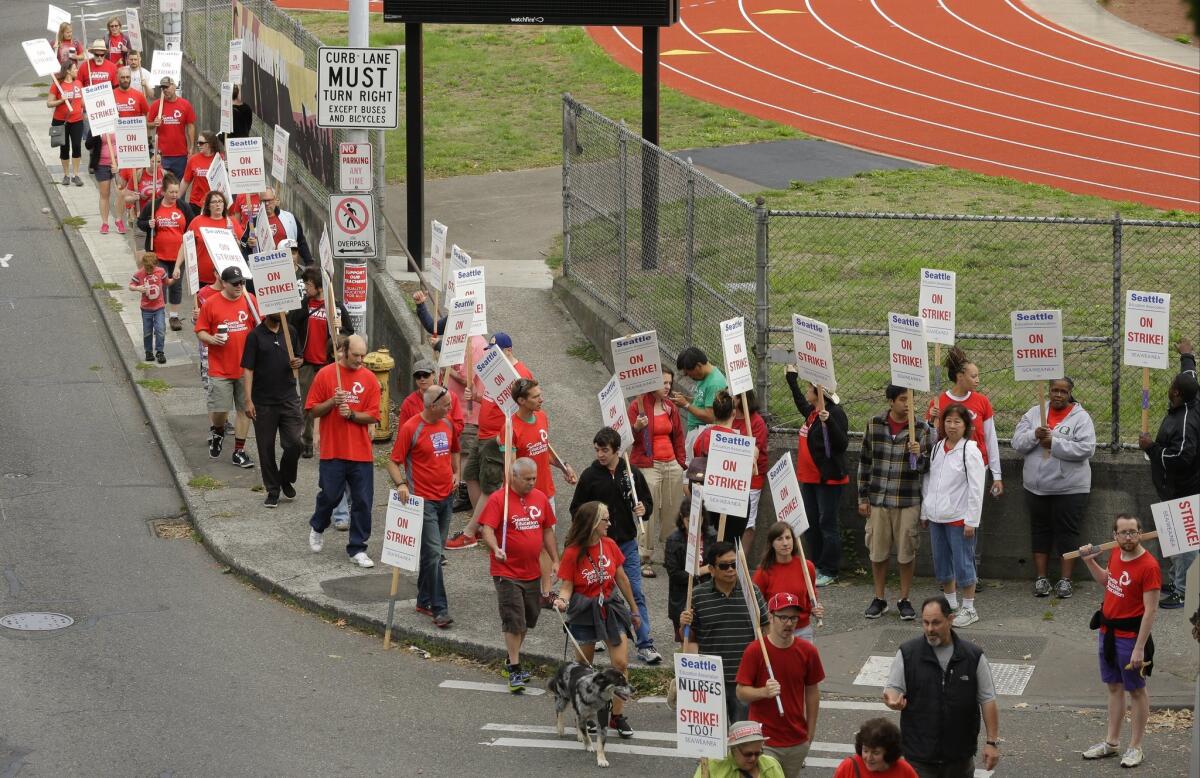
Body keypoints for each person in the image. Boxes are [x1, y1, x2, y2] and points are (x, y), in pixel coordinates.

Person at [570, 427, 661, 665]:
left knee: (635, 592)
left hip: (627, 545)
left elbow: (647, 503)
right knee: (597, 593)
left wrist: (643, 509)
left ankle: (644, 643)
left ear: (616, 450)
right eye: (597, 450)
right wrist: (589, 524)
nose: (600, 454)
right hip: (598, 548)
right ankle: (596, 635)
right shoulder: (590, 476)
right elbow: (575, 509)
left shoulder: (631, 473)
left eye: (605, 450)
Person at [883, 596, 1001, 778]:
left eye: (936, 623)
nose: (930, 629)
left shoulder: (973, 656)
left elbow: (987, 699)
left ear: (950, 619)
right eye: (926, 623)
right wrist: (892, 700)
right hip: (919, 759)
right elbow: (893, 687)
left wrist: (991, 743)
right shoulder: (908, 653)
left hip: (959, 759)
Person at [1077, 514, 1160, 769]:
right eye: (1123, 533)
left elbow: (1150, 611)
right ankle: (1111, 744)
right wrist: (1090, 562)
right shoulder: (1115, 554)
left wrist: (1139, 648)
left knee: (1136, 690)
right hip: (1107, 632)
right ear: (1114, 535)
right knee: (1113, 687)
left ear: (1140, 532)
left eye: (1132, 532)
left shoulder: (1149, 566)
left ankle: (1135, 747)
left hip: (1131, 638)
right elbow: (1108, 582)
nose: (1128, 537)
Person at [552, 501, 641, 739]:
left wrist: (634, 610)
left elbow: (622, 579)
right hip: (584, 612)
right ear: (593, 523)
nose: (609, 524)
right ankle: (588, 711)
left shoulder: (610, 545)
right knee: (583, 666)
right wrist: (562, 601)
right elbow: (567, 586)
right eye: (605, 519)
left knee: (620, 663)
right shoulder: (572, 552)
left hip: (610, 609)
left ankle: (617, 715)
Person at [1011, 377, 1096, 599]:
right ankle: (1041, 578)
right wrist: (1034, 436)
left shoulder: (1081, 418)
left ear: (1070, 394)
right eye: (1054, 390)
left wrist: (1055, 444)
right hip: (1036, 487)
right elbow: (1017, 442)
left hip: (1069, 488)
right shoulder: (1033, 413)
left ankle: (1066, 580)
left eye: (1063, 391)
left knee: (1067, 533)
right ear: (1048, 391)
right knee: (1040, 531)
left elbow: (1087, 449)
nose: (1058, 395)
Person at [446, 333, 533, 549]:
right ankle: (484, 525)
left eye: (496, 353)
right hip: (482, 433)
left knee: (489, 485)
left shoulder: (520, 375)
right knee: (471, 476)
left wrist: (506, 437)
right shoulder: (497, 370)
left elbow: (524, 409)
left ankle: (471, 532)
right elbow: (492, 401)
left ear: (508, 351)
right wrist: (475, 396)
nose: (492, 357)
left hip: (497, 437)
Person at [478, 457, 558, 691]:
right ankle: (514, 668)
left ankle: (510, 660)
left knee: (527, 620)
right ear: (513, 477)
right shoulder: (498, 500)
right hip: (507, 572)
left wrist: (555, 560)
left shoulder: (540, 498)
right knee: (514, 620)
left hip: (532, 571)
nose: (532, 483)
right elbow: (488, 530)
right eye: (527, 479)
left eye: (534, 478)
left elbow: (547, 531)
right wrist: (495, 548)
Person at [858, 385, 932, 620]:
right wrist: (862, 497)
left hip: (907, 499)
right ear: (890, 401)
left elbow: (926, 468)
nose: (908, 404)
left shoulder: (921, 428)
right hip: (879, 499)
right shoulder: (874, 424)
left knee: (906, 552)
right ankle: (879, 598)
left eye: (911, 398)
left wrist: (918, 454)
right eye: (902, 399)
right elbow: (865, 461)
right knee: (877, 552)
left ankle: (904, 598)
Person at [389, 385, 461, 626]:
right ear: (432, 406)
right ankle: (440, 608)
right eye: (447, 405)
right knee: (434, 554)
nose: (450, 408)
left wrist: (456, 473)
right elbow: (393, 462)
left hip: (446, 498)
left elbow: (455, 451)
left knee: (432, 554)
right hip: (424, 502)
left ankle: (423, 600)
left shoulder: (448, 424)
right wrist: (401, 484)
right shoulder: (412, 427)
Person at [306, 335, 380, 568]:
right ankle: (318, 524)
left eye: (363, 355)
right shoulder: (326, 375)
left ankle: (358, 548)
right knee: (330, 494)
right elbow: (313, 411)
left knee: (363, 502)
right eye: (356, 355)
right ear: (344, 351)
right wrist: (332, 402)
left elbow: (374, 415)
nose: (360, 360)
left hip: (360, 453)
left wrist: (352, 415)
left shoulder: (369, 379)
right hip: (333, 450)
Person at [736, 592, 825, 776]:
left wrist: (811, 732)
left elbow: (812, 692)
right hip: (764, 741)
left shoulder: (807, 651)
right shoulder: (755, 650)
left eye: (794, 618)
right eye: (783, 617)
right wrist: (763, 692)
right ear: (770, 617)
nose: (789, 623)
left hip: (796, 741)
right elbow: (740, 692)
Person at [1139, 338, 1198, 610]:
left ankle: (1184, 591)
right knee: (1173, 538)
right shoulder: (1192, 395)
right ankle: (1176, 580)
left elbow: (1183, 457)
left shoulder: (1185, 421)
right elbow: (1190, 375)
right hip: (1171, 488)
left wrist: (1152, 448)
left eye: (1171, 386)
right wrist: (1187, 355)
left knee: (1185, 543)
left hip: (1183, 490)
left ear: (1175, 394)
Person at [681, 541, 768, 723]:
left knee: (743, 738)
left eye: (734, 564)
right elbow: (689, 638)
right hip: (711, 681)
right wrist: (683, 625)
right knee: (713, 744)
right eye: (724, 566)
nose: (730, 569)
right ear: (711, 569)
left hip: (744, 680)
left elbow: (766, 629)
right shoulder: (697, 595)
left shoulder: (752, 592)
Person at [785, 365, 850, 586]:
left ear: (819, 392)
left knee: (826, 523)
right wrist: (791, 381)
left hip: (827, 479)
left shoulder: (835, 414)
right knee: (811, 522)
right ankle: (814, 564)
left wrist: (829, 421)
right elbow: (801, 404)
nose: (806, 391)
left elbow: (842, 444)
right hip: (809, 479)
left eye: (808, 388)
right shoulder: (813, 412)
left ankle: (830, 569)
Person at [922, 404, 985, 627]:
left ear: (966, 425)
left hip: (959, 518)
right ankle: (950, 604)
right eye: (948, 421)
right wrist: (925, 510)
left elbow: (977, 488)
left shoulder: (970, 450)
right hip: (937, 517)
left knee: (963, 563)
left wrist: (971, 521)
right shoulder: (938, 447)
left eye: (957, 422)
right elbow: (929, 480)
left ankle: (969, 608)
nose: (951, 426)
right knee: (941, 562)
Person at [194, 266, 259, 468]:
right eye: (235, 283)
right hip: (220, 368)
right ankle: (218, 430)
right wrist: (212, 339)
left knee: (244, 410)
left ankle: (239, 451)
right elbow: (200, 331)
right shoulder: (211, 304)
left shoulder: (250, 300)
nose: (240, 286)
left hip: (245, 368)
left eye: (242, 282)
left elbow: (260, 325)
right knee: (220, 410)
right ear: (224, 283)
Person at [288, 267, 353, 459]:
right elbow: (291, 331)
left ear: (319, 286)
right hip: (307, 364)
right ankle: (307, 440)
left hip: (329, 365)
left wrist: (340, 334)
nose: (306, 287)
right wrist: (297, 355)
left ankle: (330, 441)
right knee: (308, 406)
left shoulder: (336, 308)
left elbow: (349, 333)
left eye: (309, 284)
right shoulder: (302, 306)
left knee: (333, 405)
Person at [241, 313, 304, 508]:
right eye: (278, 308)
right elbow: (248, 369)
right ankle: (273, 490)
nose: (282, 312)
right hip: (263, 402)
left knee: (295, 443)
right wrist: (248, 399)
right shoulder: (255, 336)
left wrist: (298, 362)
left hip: (289, 399)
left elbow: (299, 357)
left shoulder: (290, 331)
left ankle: (285, 477)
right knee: (265, 448)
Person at [628, 365, 686, 574]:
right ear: (652, 383)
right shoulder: (638, 406)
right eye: (664, 383)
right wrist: (637, 428)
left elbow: (678, 436)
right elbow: (628, 439)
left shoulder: (670, 407)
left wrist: (680, 463)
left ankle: (671, 553)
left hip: (671, 463)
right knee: (648, 510)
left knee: (673, 509)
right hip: (647, 464)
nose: (668, 387)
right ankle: (644, 556)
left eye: (670, 382)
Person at [136, 175, 193, 330]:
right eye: (171, 192)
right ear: (163, 191)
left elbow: (191, 227)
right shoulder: (153, 206)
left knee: (176, 285)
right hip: (157, 255)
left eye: (176, 192)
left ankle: (174, 317)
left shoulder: (183, 207)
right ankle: (159, 314)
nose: (175, 195)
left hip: (178, 256)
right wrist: (148, 224)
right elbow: (140, 223)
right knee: (159, 285)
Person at [753, 523, 823, 642]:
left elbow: (811, 597)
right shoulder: (763, 572)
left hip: (802, 630)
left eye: (788, 538)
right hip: (776, 632)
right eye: (779, 539)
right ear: (772, 544)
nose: (785, 543)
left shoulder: (807, 567)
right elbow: (755, 605)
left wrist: (817, 608)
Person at [664, 496, 715, 642]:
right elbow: (674, 575)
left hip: (707, 598)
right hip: (683, 599)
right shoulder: (674, 540)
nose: (694, 526)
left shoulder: (712, 536)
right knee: (686, 641)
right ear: (682, 518)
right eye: (689, 521)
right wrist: (701, 571)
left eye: (699, 520)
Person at [672, 346, 728, 452]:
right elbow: (702, 402)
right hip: (696, 432)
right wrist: (687, 399)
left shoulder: (714, 383)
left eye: (689, 372)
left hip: (703, 433)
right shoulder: (704, 377)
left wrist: (686, 405)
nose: (689, 376)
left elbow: (710, 416)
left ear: (698, 366)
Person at [189, 190, 243, 291]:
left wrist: (236, 242)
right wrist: (178, 266)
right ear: (208, 206)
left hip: (226, 279)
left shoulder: (232, 223)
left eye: (220, 201)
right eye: (214, 202)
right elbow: (186, 244)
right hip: (203, 278)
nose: (218, 204)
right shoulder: (197, 221)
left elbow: (242, 248)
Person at [692, 720, 785, 778]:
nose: (753, 758)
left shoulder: (771, 766)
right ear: (733, 749)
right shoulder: (712, 766)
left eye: (757, 753)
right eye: (748, 754)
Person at [128, 251, 174, 363]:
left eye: (151, 268)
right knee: (147, 331)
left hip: (159, 307)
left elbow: (167, 282)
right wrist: (138, 288)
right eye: (147, 268)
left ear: (156, 264)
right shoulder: (139, 274)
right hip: (146, 308)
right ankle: (148, 351)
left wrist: (175, 278)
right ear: (143, 265)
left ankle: (160, 351)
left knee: (160, 329)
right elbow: (131, 285)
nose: (149, 270)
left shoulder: (161, 271)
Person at [833, 718, 919, 778]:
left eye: (875, 753)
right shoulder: (848, 767)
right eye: (865, 751)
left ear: (889, 752)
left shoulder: (904, 770)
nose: (869, 758)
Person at [397, 358, 464, 435]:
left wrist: (443, 428)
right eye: (418, 376)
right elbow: (402, 432)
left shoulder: (451, 397)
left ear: (434, 374)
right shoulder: (409, 402)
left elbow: (459, 425)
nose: (422, 379)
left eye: (426, 375)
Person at [148, 77, 196, 182]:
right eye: (163, 87)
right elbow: (148, 124)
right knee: (162, 185)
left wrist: (191, 147)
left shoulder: (185, 104)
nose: (165, 90)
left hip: (180, 154)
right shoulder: (157, 105)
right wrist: (154, 123)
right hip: (161, 154)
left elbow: (190, 126)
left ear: (174, 86)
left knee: (179, 186)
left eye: (167, 87)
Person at [47, 61, 84, 187]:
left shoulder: (78, 84)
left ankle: (76, 175)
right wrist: (61, 100)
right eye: (75, 68)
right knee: (64, 148)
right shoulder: (57, 85)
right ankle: (66, 175)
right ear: (68, 70)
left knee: (77, 146)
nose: (77, 70)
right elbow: (49, 103)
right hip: (61, 121)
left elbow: (82, 102)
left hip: (77, 120)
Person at [259, 188, 313, 267]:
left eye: (269, 200)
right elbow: (246, 246)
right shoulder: (254, 222)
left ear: (275, 199)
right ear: (259, 201)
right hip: (266, 267)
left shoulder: (289, 218)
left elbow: (301, 241)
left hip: (287, 266)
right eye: (264, 201)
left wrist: (309, 263)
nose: (267, 204)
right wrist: (249, 244)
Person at [181, 132, 225, 210]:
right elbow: (185, 181)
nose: (198, 145)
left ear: (209, 144)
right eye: (197, 142)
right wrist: (176, 198)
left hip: (214, 202)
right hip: (196, 203)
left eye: (201, 143)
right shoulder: (193, 159)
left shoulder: (220, 158)